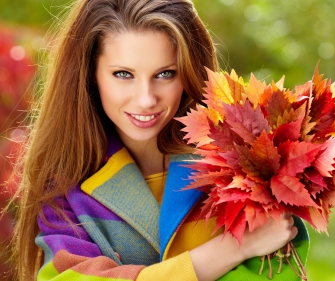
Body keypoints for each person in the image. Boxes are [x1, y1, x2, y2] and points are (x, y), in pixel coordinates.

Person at [11, 0, 309, 280]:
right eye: (123, 74)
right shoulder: (64, 187)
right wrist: (232, 249)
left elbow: (276, 270)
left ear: (190, 72)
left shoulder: (244, 160)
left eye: (165, 73)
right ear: (91, 73)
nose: (145, 99)